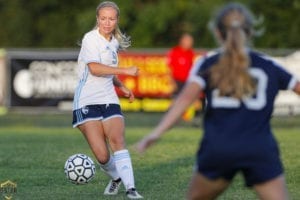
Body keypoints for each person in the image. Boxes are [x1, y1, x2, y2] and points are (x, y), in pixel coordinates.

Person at [137, 2, 300, 200]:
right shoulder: (268, 65)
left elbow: (184, 100)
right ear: (250, 32)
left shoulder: (208, 63)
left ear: (217, 32)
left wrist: (156, 133)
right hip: (259, 148)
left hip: (218, 147)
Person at [72, 1, 143, 199]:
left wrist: (121, 87)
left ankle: (131, 189)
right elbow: (95, 68)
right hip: (86, 101)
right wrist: (125, 70)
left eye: (111, 19)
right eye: (103, 18)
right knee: (102, 155)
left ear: (117, 20)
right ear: (97, 19)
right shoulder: (90, 39)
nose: (107, 22)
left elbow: (108, 73)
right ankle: (116, 178)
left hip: (109, 98)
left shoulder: (113, 42)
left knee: (117, 140)